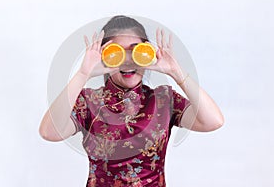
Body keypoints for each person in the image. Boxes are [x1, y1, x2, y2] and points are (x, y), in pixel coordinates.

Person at [39, 15, 224, 187]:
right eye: (118, 53)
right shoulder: (89, 102)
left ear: (146, 54)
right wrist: (82, 74)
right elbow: (49, 132)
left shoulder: (163, 100)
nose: (128, 61)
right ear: (105, 56)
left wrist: (176, 72)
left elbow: (213, 121)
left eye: (135, 51)